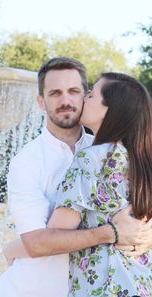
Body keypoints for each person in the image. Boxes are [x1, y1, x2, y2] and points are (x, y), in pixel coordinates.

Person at [0, 58, 152, 297]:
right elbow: (37, 243)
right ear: (41, 102)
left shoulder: (103, 152)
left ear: (84, 96)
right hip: (35, 290)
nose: (66, 101)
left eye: (75, 92)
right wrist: (113, 232)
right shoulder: (26, 162)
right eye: (55, 93)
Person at [47, 72, 152, 296]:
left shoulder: (92, 160)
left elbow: (54, 237)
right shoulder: (143, 162)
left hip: (104, 288)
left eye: (92, 95)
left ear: (109, 110)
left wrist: (15, 249)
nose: (84, 98)